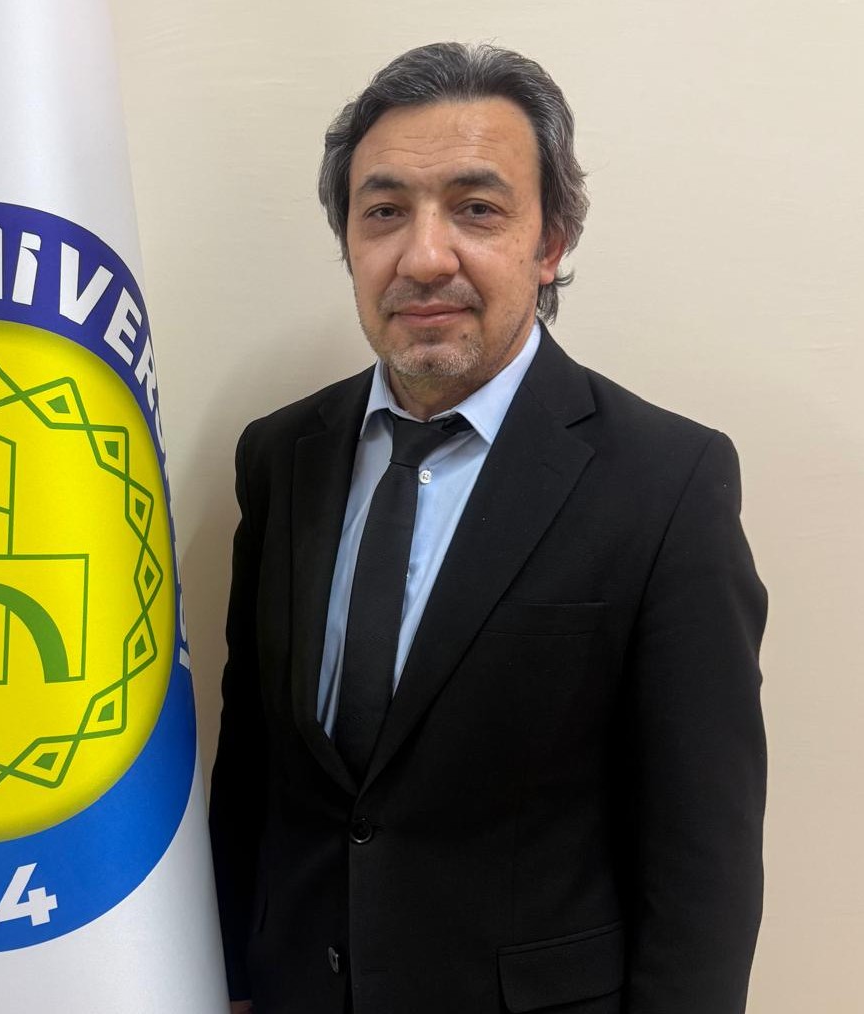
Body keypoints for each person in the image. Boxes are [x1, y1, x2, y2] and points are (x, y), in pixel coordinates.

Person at [208, 42, 766, 1014]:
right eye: (385, 211)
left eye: (476, 208)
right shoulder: (280, 455)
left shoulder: (666, 483)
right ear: (349, 241)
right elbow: (253, 767)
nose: (424, 257)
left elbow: (703, 868)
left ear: (550, 244)